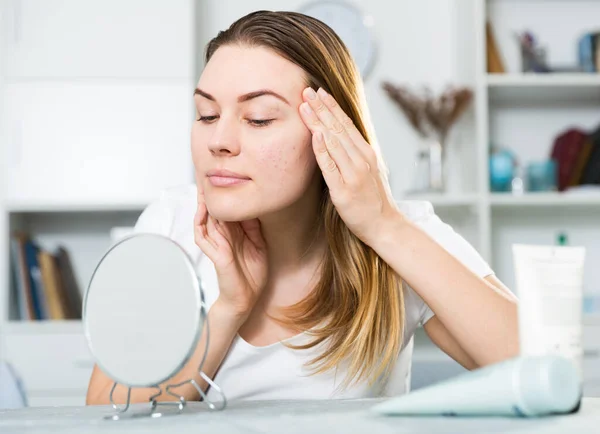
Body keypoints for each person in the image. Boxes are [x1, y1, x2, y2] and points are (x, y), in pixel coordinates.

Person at [86, 10, 518, 405]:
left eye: (257, 119)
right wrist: (228, 309)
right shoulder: (175, 223)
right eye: (206, 114)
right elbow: (105, 412)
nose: (219, 141)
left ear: (331, 131)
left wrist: (383, 228)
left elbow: (535, 365)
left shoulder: (399, 230)